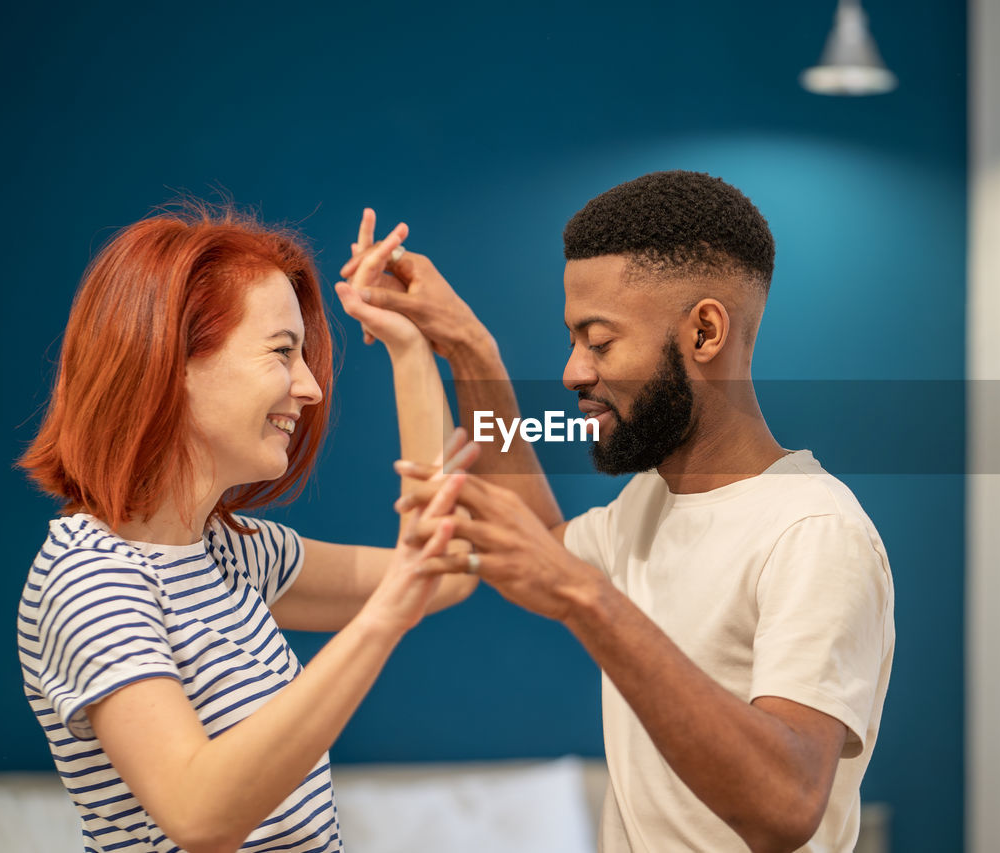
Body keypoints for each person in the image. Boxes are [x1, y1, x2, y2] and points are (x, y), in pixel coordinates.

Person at [349, 170, 896, 852]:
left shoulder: (813, 532)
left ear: (704, 331)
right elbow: (545, 544)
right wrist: (467, 346)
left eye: (599, 341)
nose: (574, 372)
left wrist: (587, 596)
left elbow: (785, 803)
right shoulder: (652, 503)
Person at [16, 203, 478, 853]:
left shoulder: (235, 555)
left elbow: (446, 573)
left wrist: (406, 347)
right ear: (171, 362)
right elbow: (200, 815)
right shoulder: (92, 579)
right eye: (282, 353)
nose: (311, 387)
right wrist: (387, 613)